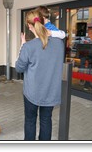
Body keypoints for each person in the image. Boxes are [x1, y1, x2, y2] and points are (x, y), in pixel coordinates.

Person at [15, 9, 64, 140]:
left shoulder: (29, 47)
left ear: (30, 26)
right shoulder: (59, 44)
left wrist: (22, 46)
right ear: (43, 22)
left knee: (30, 121)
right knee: (46, 120)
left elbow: (19, 68)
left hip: (32, 93)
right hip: (51, 92)